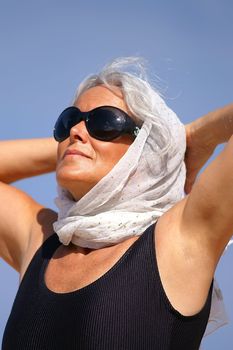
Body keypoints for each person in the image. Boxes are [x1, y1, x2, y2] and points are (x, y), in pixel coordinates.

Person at [1, 57, 233, 349]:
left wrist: (193, 135)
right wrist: (72, 149)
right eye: (68, 121)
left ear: (146, 149)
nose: (76, 131)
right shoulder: (41, 244)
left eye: (104, 122)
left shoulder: (177, 243)